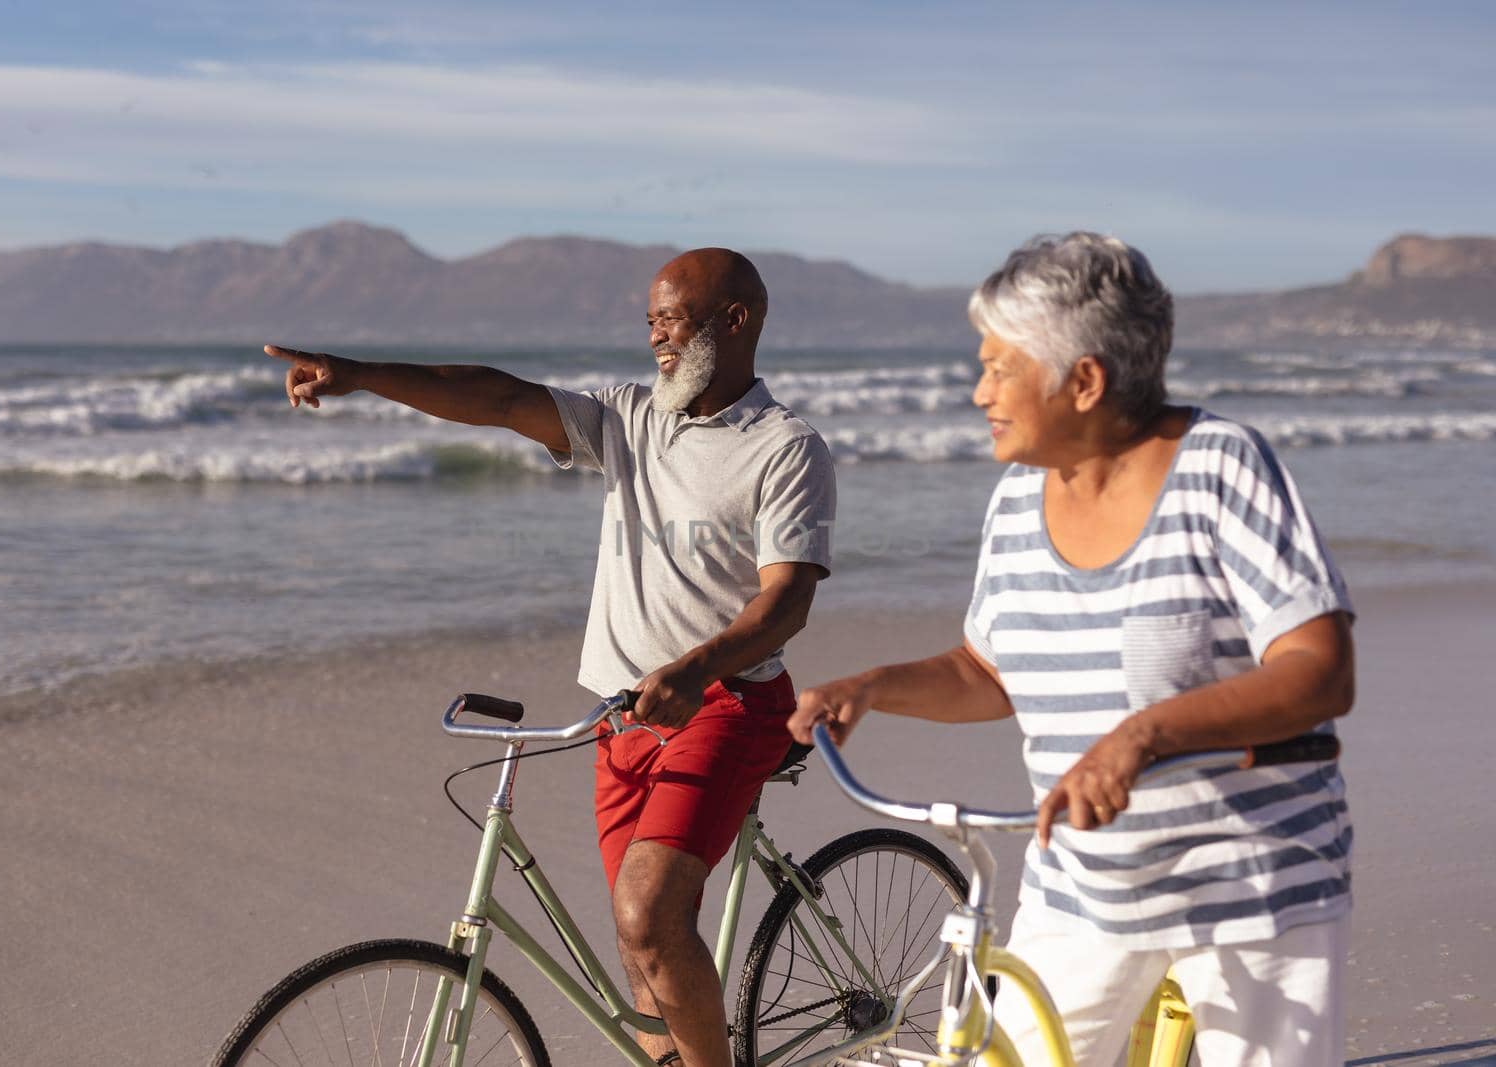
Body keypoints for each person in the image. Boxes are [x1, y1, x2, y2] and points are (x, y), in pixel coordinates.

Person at [787, 233, 1354, 1066]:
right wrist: (872, 686)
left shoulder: (1221, 467)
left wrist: (1140, 737)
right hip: (1082, 885)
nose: (979, 392)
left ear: (1084, 380)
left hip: (1254, 886)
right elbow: (987, 669)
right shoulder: (1017, 497)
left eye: (1000, 368)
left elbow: (1319, 669)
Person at [266, 247, 835, 1067]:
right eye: (649, 323)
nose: (655, 340)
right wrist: (360, 373)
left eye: (669, 319)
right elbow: (499, 397)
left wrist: (694, 669)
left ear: (734, 321)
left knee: (647, 915)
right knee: (641, 944)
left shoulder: (785, 447)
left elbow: (787, 600)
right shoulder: (631, 419)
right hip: (623, 715)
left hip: (726, 705)